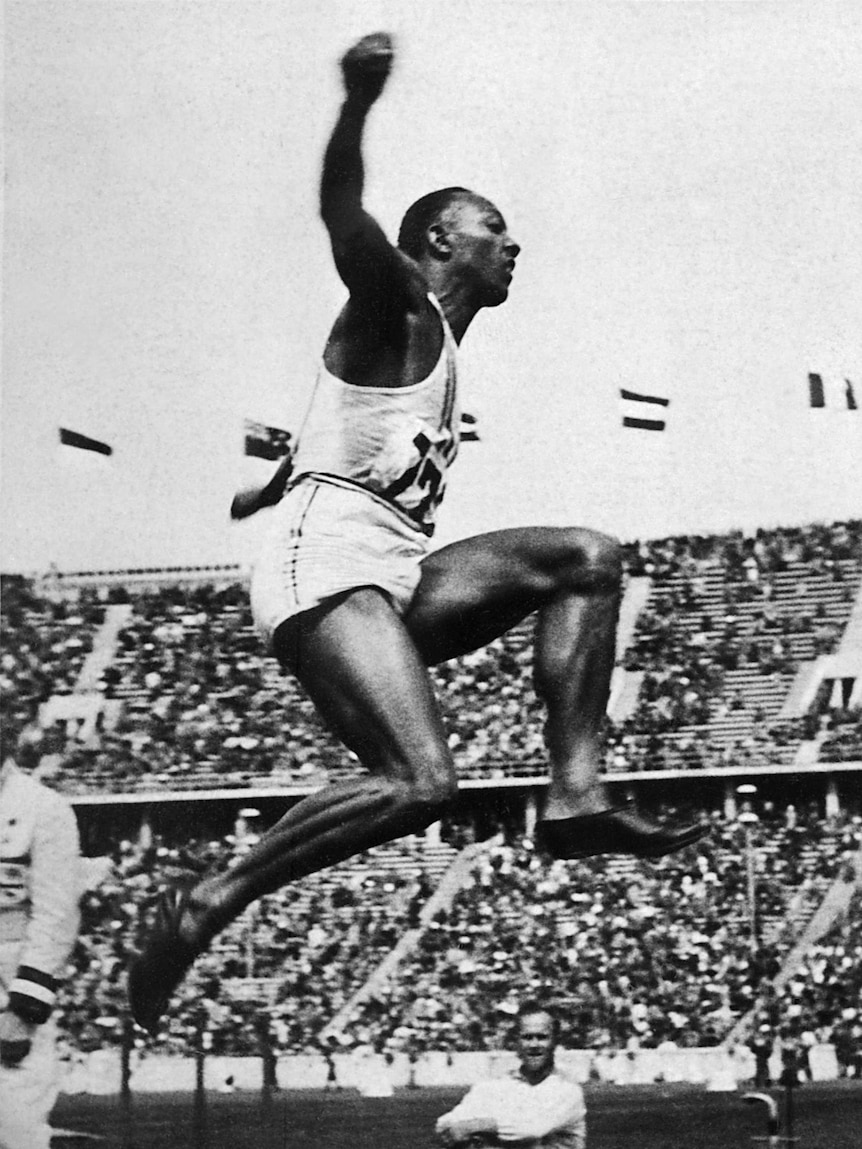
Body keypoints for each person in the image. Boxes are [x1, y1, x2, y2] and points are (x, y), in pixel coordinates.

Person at [129, 31, 706, 1034]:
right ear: (439, 242)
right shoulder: (395, 301)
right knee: (422, 781)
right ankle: (208, 900)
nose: (512, 243)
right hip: (328, 560)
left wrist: (273, 478)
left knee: (586, 559)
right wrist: (355, 104)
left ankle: (576, 794)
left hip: (381, 559)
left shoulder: (435, 357)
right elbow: (340, 216)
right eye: (494, 227)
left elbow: (344, 428)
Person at [0, 735, 82, 1149]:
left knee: (15, 1132)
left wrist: (23, 1011)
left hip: (7, 994)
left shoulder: (42, 808)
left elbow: (56, 918)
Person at [435, 1002, 586, 1148]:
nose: (534, 1045)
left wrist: (475, 1127)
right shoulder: (495, 1085)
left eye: (542, 1037)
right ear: (516, 1042)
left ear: (555, 1041)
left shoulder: (567, 1090)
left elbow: (532, 1128)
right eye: (527, 1037)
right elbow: (446, 1124)